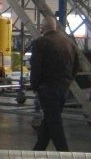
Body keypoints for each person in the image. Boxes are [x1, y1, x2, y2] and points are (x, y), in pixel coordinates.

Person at [29, 15, 77, 151]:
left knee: (54, 123)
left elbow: (36, 67)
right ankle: (38, 150)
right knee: (49, 120)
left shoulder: (40, 43)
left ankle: (65, 154)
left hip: (47, 89)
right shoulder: (68, 42)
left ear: (42, 28)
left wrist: (35, 85)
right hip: (63, 88)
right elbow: (76, 65)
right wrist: (67, 81)